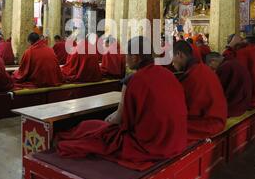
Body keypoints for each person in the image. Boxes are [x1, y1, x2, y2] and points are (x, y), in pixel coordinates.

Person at [57, 36, 188, 171]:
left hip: (149, 145)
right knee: (94, 128)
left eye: (127, 55)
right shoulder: (168, 75)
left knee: (89, 127)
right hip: (174, 140)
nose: (125, 58)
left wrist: (109, 121)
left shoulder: (136, 80)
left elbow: (122, 122)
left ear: (136, 57)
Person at [172, 41, 227, 140]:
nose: (172, 62)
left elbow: (187, 109)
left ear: (179, 54)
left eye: (172, 57)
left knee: (167, 128)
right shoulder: (203, 69)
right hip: (215, 119)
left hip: (209, 125)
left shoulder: (195, 75)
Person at [206, 52, 253, 117]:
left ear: (213, 61)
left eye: (212, 68)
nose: (214, 70)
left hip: (235, 107)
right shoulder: (234, 61)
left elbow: (219, 90)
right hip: (245, 102)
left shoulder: (225, 67)